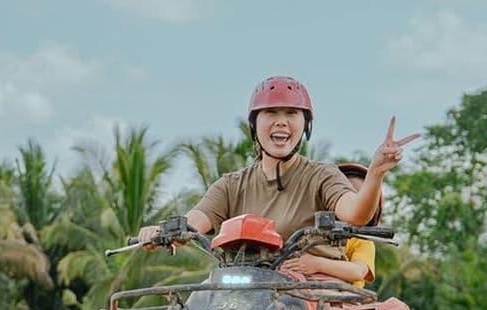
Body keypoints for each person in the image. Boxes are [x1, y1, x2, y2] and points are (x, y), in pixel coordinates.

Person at [138, 76, 419, 254]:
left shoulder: (322, 175)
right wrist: (162, 233)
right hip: (243, 293)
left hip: (312, 292)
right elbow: (193, 222)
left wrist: (376, 173)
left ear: (305, 125)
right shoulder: (230, 186)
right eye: (271, 113)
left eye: (291, 113)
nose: (281, 122)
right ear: (254, 124)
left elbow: (355, 213)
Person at [281, 163, 377, 287]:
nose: (349, 201)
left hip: (339, 293)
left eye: (358, 198)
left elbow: (358, 271)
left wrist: (317, 264)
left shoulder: (362, 241)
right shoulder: (310, 228)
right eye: (340, 193)